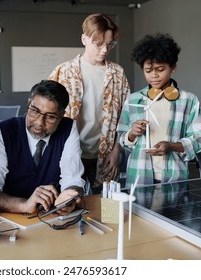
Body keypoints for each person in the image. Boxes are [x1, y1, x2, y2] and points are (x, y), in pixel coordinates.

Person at [48, 13, 130, 194]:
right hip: (68, 152)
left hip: (106, 155)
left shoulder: (117, 74)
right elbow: (48, 114)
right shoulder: (63, 72)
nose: (104, 50)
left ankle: (107, 222)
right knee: (70, 204)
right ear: (85, 39)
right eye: (99, 44)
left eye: (109, 44)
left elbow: (127, 116)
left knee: (107, 210)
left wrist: (116, 151)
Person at [0, 80, 85, 215]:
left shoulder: (68, 128)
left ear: (61, 116)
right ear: (28, 103)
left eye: (50, 117)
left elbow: (73, 179)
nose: (39, 122)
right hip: (6, 215)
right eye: (35, 111)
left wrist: (70, 197)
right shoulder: (2, 132)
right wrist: (25, 205)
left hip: (48, 214)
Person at [117, 33, 201, 188]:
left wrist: (172, 146)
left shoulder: (189, 100)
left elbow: (200, 138)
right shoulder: (133, 100)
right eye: (148, 70)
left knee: (173, 212)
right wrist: (132, 133)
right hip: (138, 176)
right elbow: (122, 139)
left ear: (173, 67)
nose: (154, 75)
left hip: (174, 176)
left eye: (160, 69)